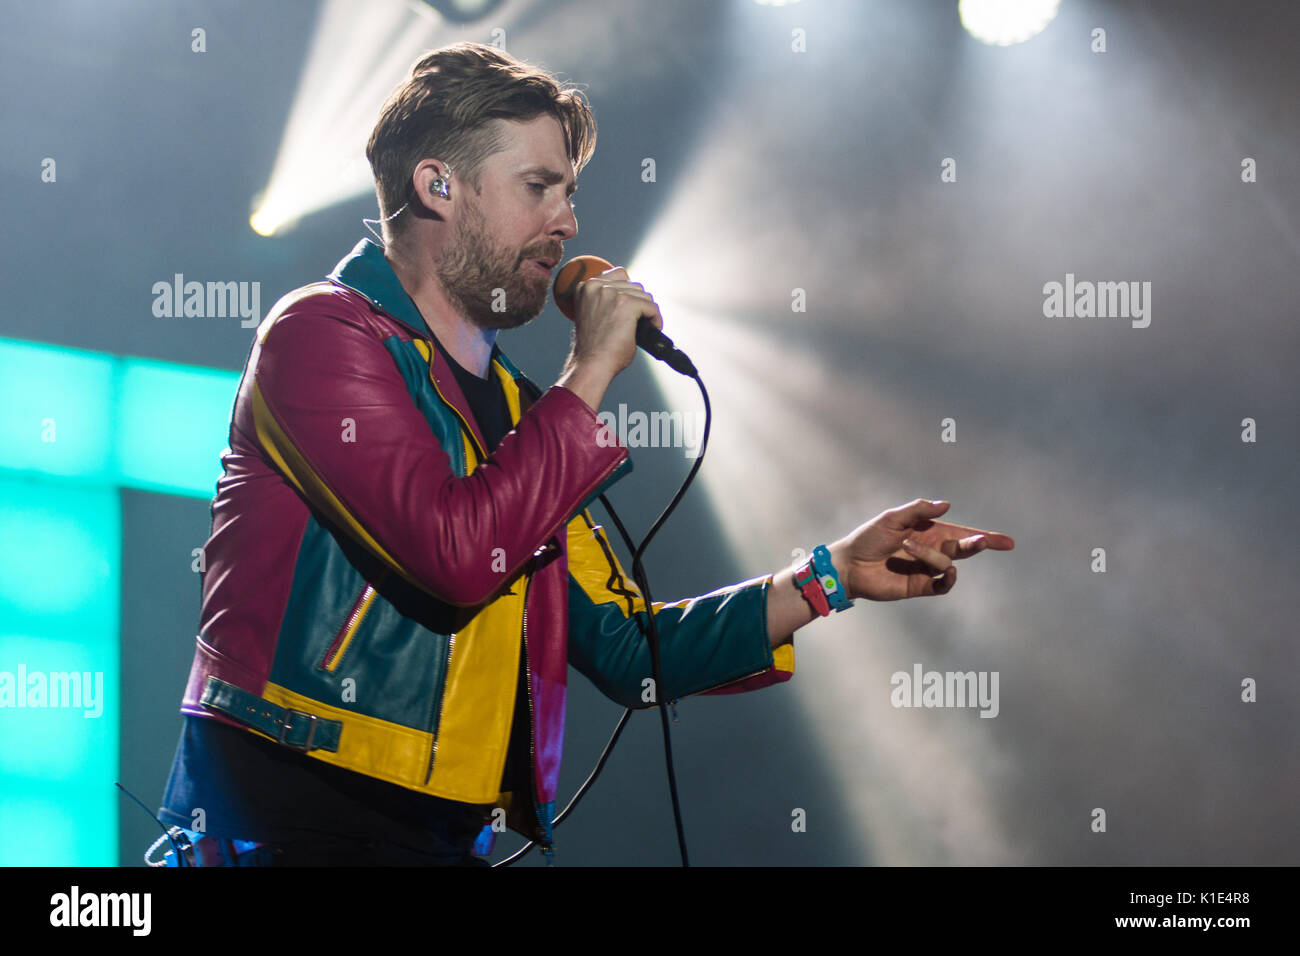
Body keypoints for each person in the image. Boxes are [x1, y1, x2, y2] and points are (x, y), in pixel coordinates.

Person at [154, 42, 1013, 867]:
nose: (567, 223)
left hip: (445, 840)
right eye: (539, 187)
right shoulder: (323, 334)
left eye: (568, 193)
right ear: (438, 184)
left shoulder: (529, 415)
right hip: (288, 822)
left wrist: (830, 577)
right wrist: (593, 368)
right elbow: (454, 559)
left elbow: (631, 653)